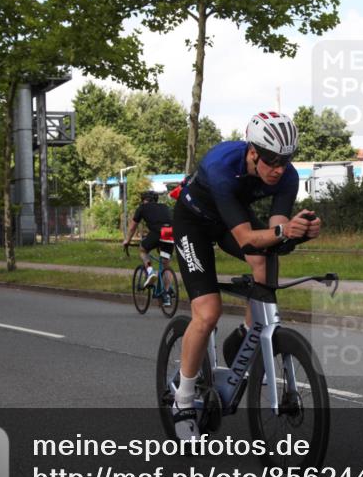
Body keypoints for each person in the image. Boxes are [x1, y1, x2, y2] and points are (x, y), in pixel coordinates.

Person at [170, 111, 321, 440]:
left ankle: (246, 338)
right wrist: (284, 231)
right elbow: (246, 239)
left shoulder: (286, 177)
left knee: (264, 263)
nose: (279, 169)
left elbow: (273, 234)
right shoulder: (222, 167)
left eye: (286, 160)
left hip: (229, 218)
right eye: (271, 161)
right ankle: (182, 401)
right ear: (253, 152)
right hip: (193, 222)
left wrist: (299, 233)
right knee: (208, 312)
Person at [123, 190, 175, 302]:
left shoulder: (142, 208)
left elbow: (132, 227)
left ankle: (150, 272)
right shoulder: (164, 206)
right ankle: (166, 295)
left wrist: (127, 240)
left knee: (143, 250)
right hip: (170, 233)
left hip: (157, 233)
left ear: (143, 200)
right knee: (165, 263)